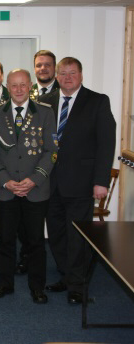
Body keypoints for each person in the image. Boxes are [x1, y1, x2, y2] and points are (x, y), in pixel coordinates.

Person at [39, 57, 116, 304]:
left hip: (82, 183)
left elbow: (106, 144)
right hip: (49, 182)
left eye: (72, 73)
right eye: (63, 73)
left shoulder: (97, 101)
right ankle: (66, 275)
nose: (67, 78)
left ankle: (78, 285)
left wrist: (101, 181)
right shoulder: (45, 102)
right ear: (57, 76)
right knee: (56, 233)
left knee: (78, 236)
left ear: (81, 76)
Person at [0, 69, 57, 304]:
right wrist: (6, 180)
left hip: (35, 189)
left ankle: (37, 287)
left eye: (22, 85)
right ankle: (5, 283)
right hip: (6, 190)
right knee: (5, 240)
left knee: (35, 242)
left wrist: (34, 179)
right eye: (13, 85)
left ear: (30, 86)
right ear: (7, 86)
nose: (18, 90)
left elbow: (51, 151)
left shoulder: (45, 113)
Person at [17, 49, 60, 275]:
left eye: (47, 65)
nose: (43, 68)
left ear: (54, 68)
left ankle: (57, 264)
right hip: (28, 171)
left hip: (55, 168)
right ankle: (25, 256)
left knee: (51, 221)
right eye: (39, 65)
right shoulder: (26, 92)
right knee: (25, 223)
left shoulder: (63, 93)